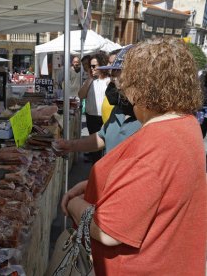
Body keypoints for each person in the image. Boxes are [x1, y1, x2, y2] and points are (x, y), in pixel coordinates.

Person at [61, 37, 206, 275]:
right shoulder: (185, 124)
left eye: (124, 80)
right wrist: (98, 187)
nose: (120, 87)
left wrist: (74, 204)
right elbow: (158, 190)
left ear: (139, 86)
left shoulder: (152, 146)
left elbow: (108, 232)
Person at [53, 45, 140, 156]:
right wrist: (71, 145)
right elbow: (101, 137)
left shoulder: (148, 120)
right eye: (111, 73)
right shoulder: (119, 110)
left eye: (115, 73)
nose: (112, 78)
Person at [78, 52, 110, 163]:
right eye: (90, 66)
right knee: (94, 150)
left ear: (102, 65)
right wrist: (89, 79)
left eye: (94, 66)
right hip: (91, 117)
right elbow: (81, 95)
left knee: (104, 148)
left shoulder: (108, 81)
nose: (91, 68)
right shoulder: (90, 81)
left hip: (104, 118)